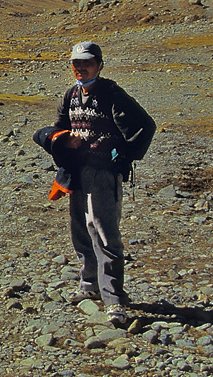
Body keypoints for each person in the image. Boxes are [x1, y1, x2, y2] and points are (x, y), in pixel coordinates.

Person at [37, 41, 156, 326]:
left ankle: (114, 299)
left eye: (87, 63)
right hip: (77, 172)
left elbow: (145, 125)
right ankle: (89, 284)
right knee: (80, 229)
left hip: (103, 173)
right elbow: (61, 125)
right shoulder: (71, 95)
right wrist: (62, 140)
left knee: (104, 234)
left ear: (100, 65)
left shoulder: (111, 93)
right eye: (76, 64)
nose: (80, 68)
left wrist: (125, 156)